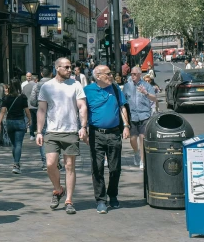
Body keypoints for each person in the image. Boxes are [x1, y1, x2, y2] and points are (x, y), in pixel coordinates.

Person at [36, 57, 88, 215]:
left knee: (69, 167)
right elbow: (41, 110)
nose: (70, 69)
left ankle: (69, 200)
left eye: (70, 67)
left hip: (71, 130)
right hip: (52, 131)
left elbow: (82, 106)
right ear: (57, 68)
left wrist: (83, 127)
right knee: (50, 164)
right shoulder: (47, 86)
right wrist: (39, 131)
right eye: (66, 67)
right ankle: (58, 189)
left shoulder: (76, 84)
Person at [85, 65, 130, 213]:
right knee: (97, 168)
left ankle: (113, 195)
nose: (111, 76)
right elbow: (82, 110)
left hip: (114, 133)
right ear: (98, 76)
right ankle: (101, 200)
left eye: (111, 73)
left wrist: (126, 126)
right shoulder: (87, 91)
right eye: (108, 74)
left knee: (115, 167)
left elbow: (123, 107)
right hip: (96, 133)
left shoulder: (116, 89)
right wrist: (83, 128)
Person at [123, 66, 157, 169]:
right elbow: (123, 100)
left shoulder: (146, 85)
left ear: (139, 75)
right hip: (132, 116)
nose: (132, 76)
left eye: (134, 74)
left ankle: (142, 159)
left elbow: (155, 99)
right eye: (131, 74)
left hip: (144, 115)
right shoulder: (127, 86)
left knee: (142, 137)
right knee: (133, 138)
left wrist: (146, 93)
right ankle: (136, 153)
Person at [0, 77, 31, 174]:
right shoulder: (23, 97)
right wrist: (30, 119)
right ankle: (16, 164)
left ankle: (16, 163)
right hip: (20, 121)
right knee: (18, 144)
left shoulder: (6, 98)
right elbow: (27, 110)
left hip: (10, 122)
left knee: (14, 144)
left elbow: (3, 111)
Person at [30, 66, 54, 170]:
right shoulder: (56, 85)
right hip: (54, 114)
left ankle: (45, 162)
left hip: (42, 114)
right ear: (51, 74)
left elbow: (32, 100)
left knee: (42, 137)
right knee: (56, 137)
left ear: (42, 74)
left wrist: (39, 105)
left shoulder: (37, 85)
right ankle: (56, 161)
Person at [22, 74, 37, 140]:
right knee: (38, 119)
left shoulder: (25, 87)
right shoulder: (36, 86)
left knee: (30, 120)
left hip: (28, 106)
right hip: (36, 106)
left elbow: (23, 96)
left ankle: (31, 134)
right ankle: (40, 132)